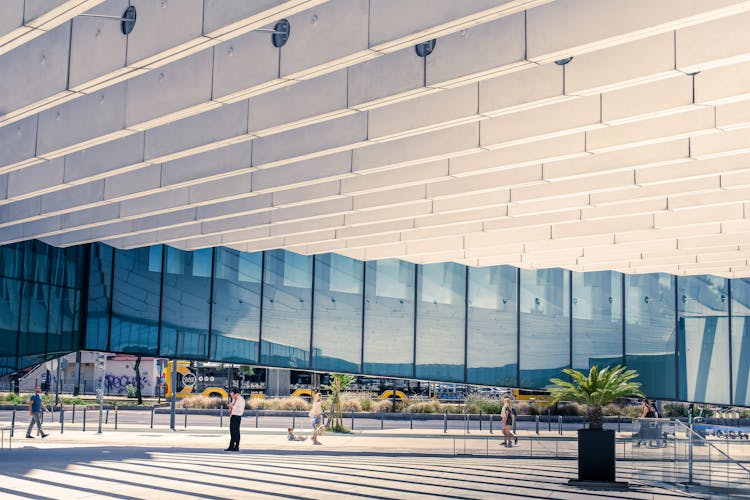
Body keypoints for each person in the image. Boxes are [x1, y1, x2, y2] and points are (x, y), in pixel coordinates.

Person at [225, 387, 245, 451]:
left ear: (236, 394)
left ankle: (236, 446)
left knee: (236, 432)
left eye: (232, 394)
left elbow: (240, 410)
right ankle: (231, 446)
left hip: (237, 417)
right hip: (233, 416)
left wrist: (232, 407)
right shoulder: (234, 399)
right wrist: (230, 407)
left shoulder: (240, 400)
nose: (232, 395)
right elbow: (233, 408)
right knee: (232, 432)